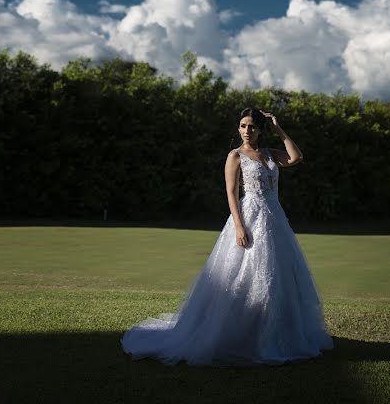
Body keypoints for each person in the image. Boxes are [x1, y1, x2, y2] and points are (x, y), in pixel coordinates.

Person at [121, 107, 334, 366]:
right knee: (243, 275)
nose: (246, 131)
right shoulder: (235, 156)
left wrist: (279, 129)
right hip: (248, 217)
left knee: (277, 276)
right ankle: (239, 335)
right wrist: (239, 227)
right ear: (238, 128)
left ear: (260, 130)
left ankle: (276, 334)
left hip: (275, 219)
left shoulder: (268, 154)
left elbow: (296, 157)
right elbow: (232, 194)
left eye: (252, 127)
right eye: (243, 126)